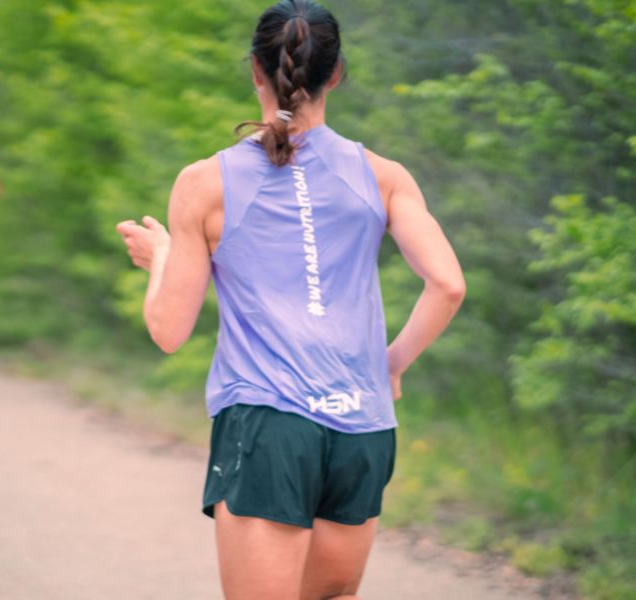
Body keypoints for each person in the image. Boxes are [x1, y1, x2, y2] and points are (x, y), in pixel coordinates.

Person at [114, 1, 465, 598]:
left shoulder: (206, 182)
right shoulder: (383, 175)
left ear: (255, 70)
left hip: (269, 424)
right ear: (334, 74)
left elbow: (168, 329)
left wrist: (163, 259)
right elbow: (448, 285)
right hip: (363, 424)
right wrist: (391, 365)